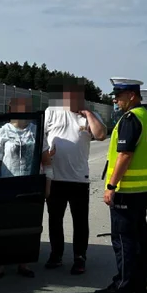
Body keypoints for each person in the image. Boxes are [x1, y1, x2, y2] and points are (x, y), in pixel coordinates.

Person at [96, 78, 147, 293]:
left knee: (123, 238)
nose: (115, 100)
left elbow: (125, 154)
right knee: (140, 236)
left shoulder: (131, 119)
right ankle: (139, 282)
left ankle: (123, 284)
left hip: (126, 189)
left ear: (131, 95)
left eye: (118, 96)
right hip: (141, 190)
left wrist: (111, 185)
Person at [41, 79, 107, 275]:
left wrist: (87, 113)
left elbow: (101, 135)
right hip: (55, 177)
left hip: (79, 178)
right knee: (55, 219)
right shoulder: (52, 111)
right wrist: (45, 156)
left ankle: (80, 257)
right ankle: (56, 254)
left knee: (80, 221)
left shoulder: (89, 116)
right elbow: (41, 136)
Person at [0, 97, 38, 279]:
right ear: (12, 110)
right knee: (3, 226)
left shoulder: (35, 131)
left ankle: (23, 264)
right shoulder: (2, 132)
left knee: (24, 225)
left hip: (28, 185)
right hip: (7, 185)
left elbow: (45, 158)